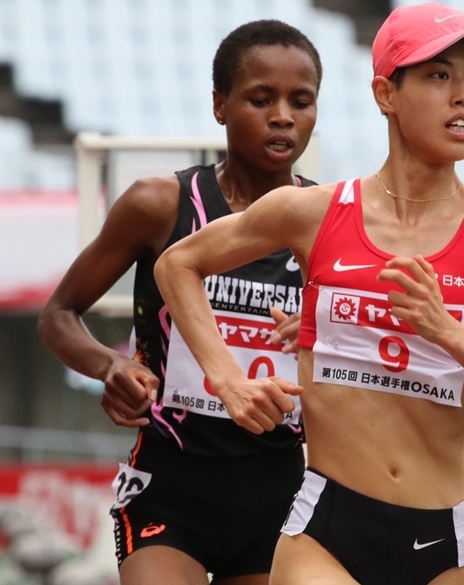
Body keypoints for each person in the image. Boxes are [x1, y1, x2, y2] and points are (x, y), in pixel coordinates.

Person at [154, 4, 464, 584]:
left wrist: (447, 331)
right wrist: (226, 378)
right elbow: (178, 264)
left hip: (443, 540)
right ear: (386, 94)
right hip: (327, 528)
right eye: (439, 75)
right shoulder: (313, 212)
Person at [37, 20, 322, 585]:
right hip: (170, 484)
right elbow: (58, 314)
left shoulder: (329, 222)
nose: (283, 116)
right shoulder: (159, 205)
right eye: (261, 99)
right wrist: (110, 365)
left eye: (301, 100)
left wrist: (316, 337)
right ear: (220, 105)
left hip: (278, 488)